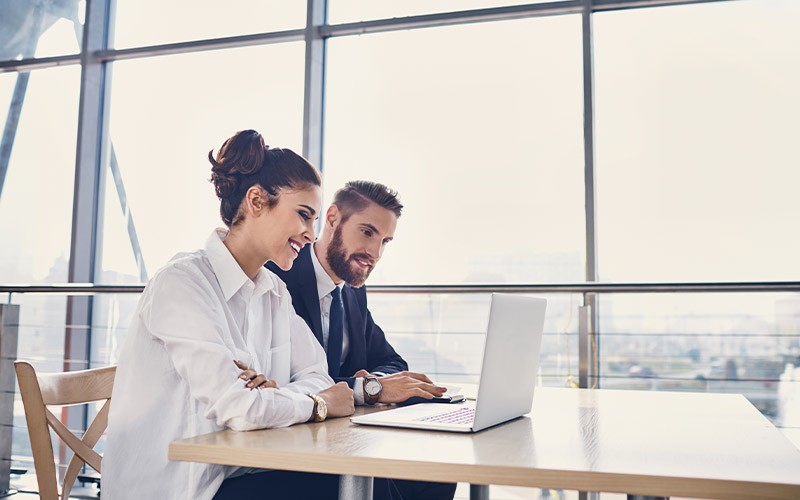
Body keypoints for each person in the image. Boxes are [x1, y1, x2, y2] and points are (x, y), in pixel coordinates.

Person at [104, 129, 354, 500]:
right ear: (256, 201)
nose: (310, 233)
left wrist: (281, 393)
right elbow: (243, 407)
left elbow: (318, 375)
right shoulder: (182, 284)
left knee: (403, 481)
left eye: (315, 220)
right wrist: (315, 406)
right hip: (185, 487)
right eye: (303, 215)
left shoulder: (273, 292)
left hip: (246, 473)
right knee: (347, 486)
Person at [268, 180, 457, 500]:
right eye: (367, 232)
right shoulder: (280, 278)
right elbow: (282, 381)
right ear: (331, 218)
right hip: (288, 449)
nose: (375, 252)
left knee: (435, 471)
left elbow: (391, 360)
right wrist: (370, 390)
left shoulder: (352, 292)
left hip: (338, 438)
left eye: (385, 241)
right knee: (378, 484)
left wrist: (377, 379)